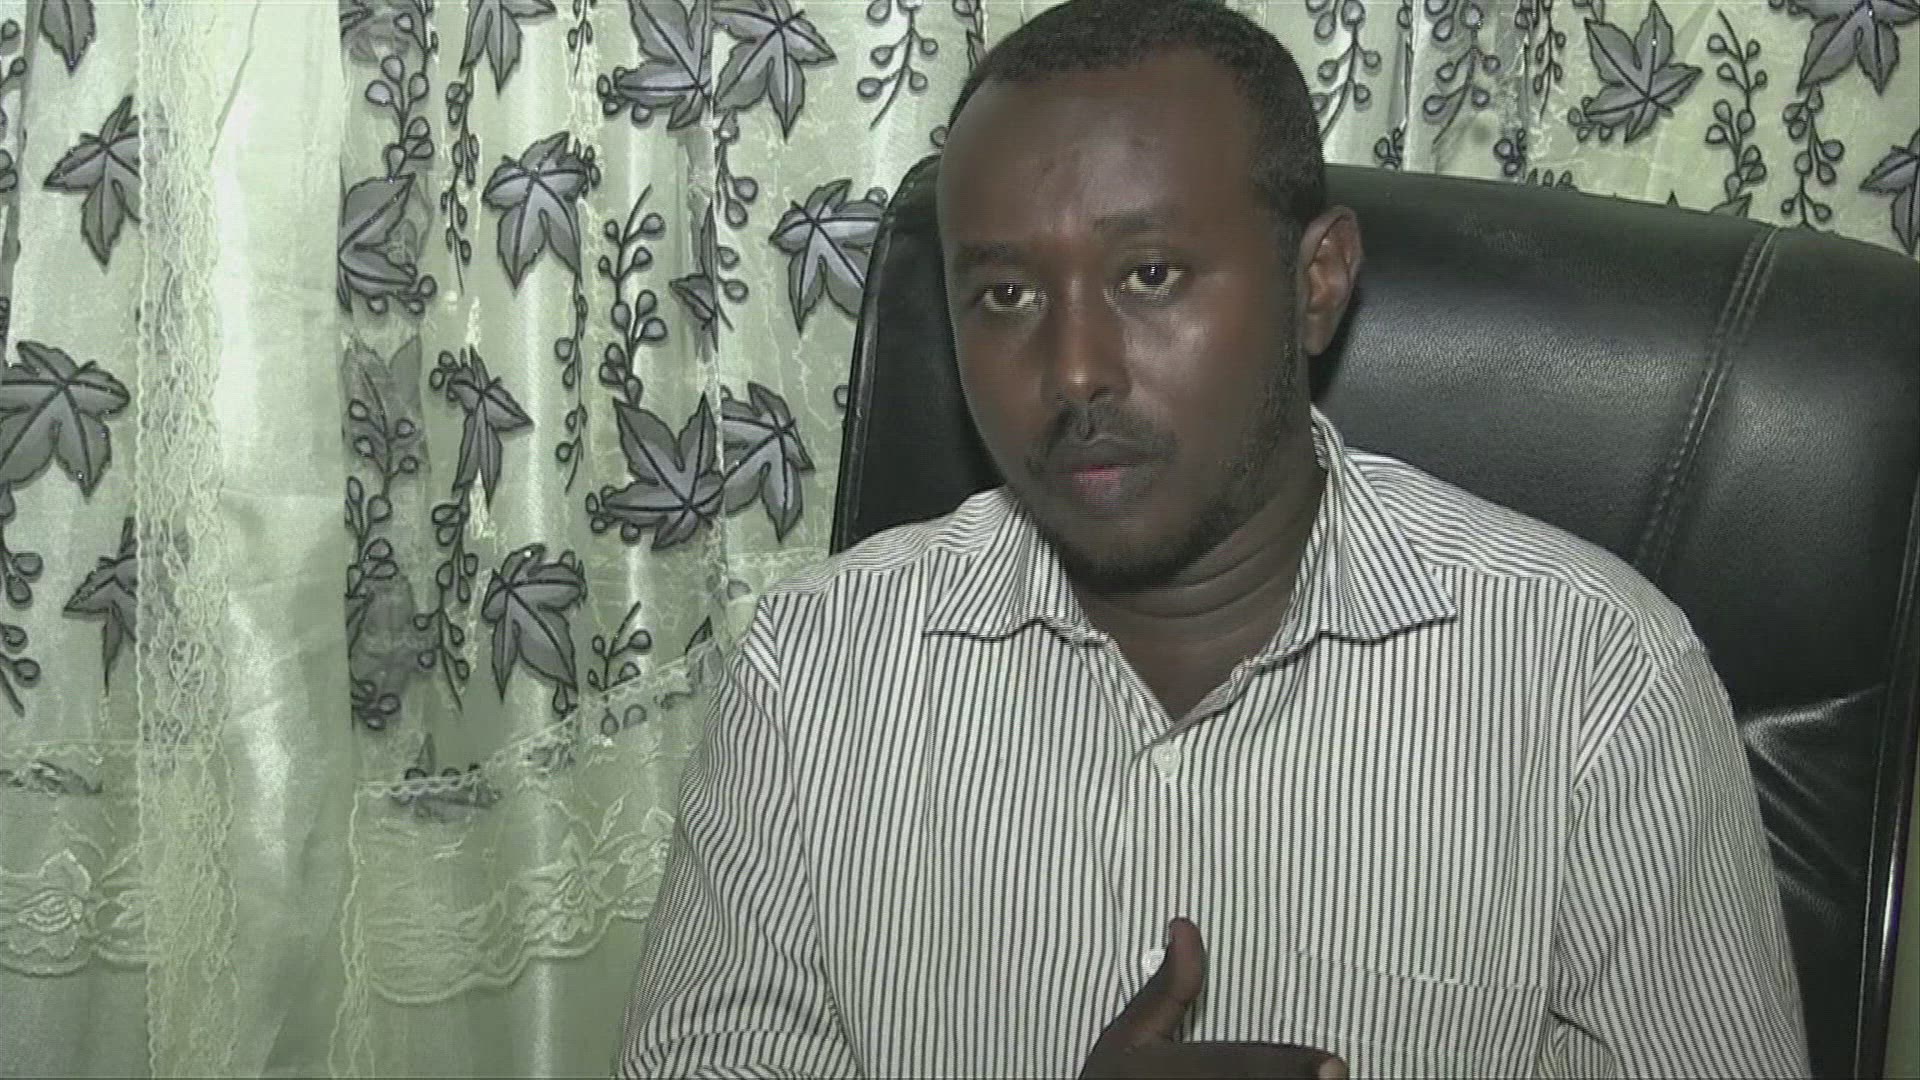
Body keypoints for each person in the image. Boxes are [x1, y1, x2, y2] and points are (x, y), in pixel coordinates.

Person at [619, 0, 1811, 1076]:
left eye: (1149, 274)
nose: (1074, 369)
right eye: (1007, 296)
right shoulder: (816, 671)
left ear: (1316, 281)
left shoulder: (1596, 684)